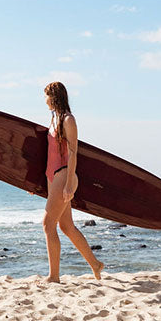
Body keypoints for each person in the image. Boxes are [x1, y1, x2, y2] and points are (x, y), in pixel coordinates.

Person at [42, 81, 104, 283]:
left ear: (55, 97)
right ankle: (95, 264)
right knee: (66, 226)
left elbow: (73, 152)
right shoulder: (53, 120)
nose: (45, 101)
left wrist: (69, 184)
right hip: (52, 177)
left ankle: (54, 276)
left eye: (47, 96)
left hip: (64, 174)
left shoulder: (68, 120)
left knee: (48, 224)